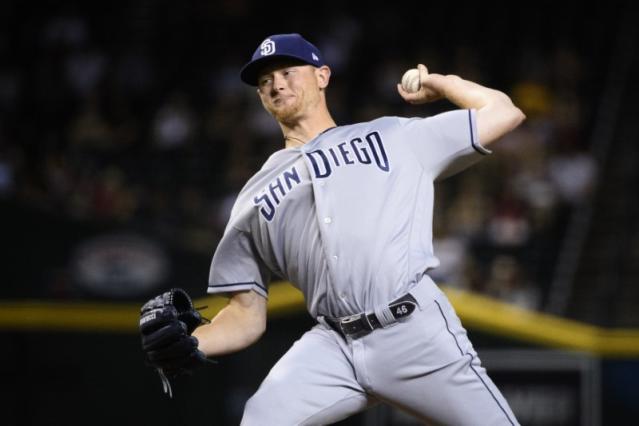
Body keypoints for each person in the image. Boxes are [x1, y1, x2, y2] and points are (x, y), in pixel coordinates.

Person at [184, 33, 524, 424]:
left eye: (289, 72)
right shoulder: (252, 198)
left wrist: (444, 85)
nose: (277, 84)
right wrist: (193, 342)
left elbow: (504, 112)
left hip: (412, 330)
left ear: (323, 76)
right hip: (333, 345)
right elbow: (246, 315)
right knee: (261, 417)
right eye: (265, 81)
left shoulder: (394, 136)